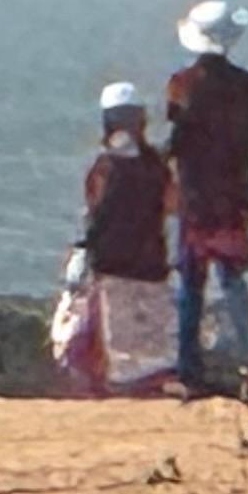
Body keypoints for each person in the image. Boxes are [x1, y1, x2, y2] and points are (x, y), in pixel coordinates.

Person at [162, 0, 248, 393]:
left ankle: (189, 372)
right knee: (233, 285)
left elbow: (177, 139)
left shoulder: (182, 84)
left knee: (191, 287)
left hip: (194, 202)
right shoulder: (245, 85)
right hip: (234, 200)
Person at [66, 83, 179, 398]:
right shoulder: (155, 165)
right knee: (155, 332)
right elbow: (173, 205)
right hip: (151, 262)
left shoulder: (104, 167)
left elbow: (93, 213)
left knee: (121, 335)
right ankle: (156, 376)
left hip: (113, 264)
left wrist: (82, 251)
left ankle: (128, 381)